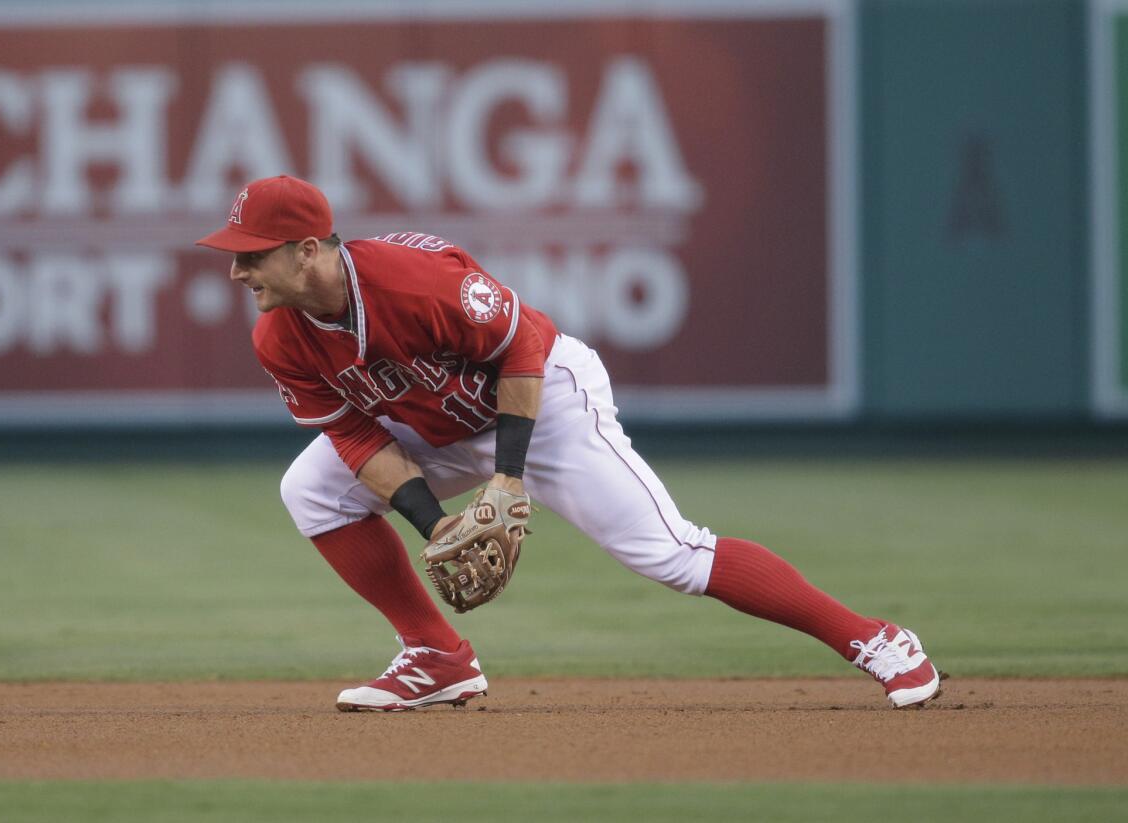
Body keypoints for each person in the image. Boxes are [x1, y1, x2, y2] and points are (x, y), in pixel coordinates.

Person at [195, 175, 942, 712]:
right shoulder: (278, 337)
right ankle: (438, 656)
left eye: (252, 255)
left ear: (307, 250)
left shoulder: (412, 282)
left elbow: (520, 348)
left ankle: (878, 640)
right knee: (311, 490)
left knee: (671, 553)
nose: (237, 270)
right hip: (439, 426)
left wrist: (508, 481)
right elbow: (355, 434)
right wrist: (437, 522)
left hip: (543, 400)